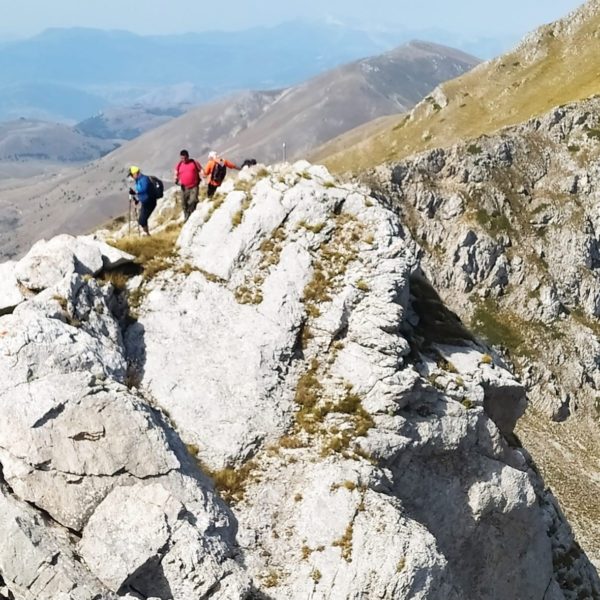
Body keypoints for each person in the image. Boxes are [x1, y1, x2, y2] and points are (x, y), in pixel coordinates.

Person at [174, 149, 204, 221]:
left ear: (188, 156)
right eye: (182, 158)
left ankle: (191, 213)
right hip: (184, 187)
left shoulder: (194, 162)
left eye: (185, 158)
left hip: (194, 186)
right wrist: (175, 177)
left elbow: (201, 169)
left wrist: (203, 175)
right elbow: (176, 171)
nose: (183, 160)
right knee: (184, 202)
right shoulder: (179, 164)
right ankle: (186, 214)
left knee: (193, 200)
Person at [128, 165, 157, 236]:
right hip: (145, 202)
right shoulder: (139, 180)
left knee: (142, 220)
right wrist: (137, 199)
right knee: (142, 220)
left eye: (132, 175)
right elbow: (142, 191)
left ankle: (147, 235)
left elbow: (144, 189)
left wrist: (135, 193)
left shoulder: (144, 179)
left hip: (150, 202)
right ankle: (147, 234)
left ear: (135, 173)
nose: (131, 177)